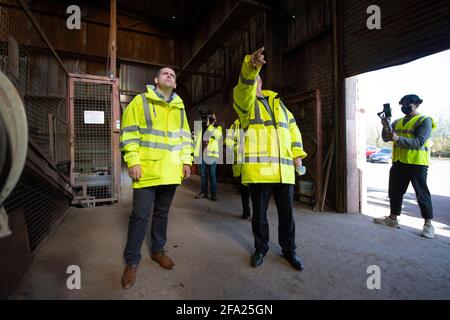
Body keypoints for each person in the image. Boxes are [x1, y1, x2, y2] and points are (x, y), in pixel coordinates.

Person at [233, 47, 307, 270]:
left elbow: (293, 130)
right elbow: (242, 88)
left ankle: (289, 250)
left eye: (256, 80)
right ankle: (261, 248)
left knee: (287, 216)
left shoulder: (280, 105)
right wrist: (251, 66)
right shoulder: (245, 106)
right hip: (260, 170)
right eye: (251, 80)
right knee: (259, 216)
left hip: (284, 170)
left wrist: (298, 156)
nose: (252, 83)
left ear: (261, 84)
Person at [119, 67, 193, 289]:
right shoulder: (140, 102)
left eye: (172, 75)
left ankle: (158, 251)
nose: (169, 76)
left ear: (176, 84)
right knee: (140, 216)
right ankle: (132, 261)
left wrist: (187, 161)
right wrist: (133, 161)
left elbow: (185, 137)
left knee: (162, 214)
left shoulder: (179, 107)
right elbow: (129, 132)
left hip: (171, 171)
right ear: (155, 80)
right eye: (164, 74)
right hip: (147, 171)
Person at [374, 94, 437, 239]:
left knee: (422, 194)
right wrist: (385, 126)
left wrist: (397, 138)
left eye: (409, 103)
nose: (405, 106)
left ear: (417, 105)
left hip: (417, 164)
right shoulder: (397, 122)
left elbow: (419, 141)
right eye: (403, 103)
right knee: (395, 192)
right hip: (399, 162)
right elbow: (385, 138)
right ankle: (392, 219)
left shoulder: (424, 120)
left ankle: (428, 225)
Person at [225, 118, 251, 219]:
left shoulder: (255, 120)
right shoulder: (235, 124)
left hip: (253, 163)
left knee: (256, 191)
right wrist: (237, 147)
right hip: (240, 165)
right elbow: (228, 140)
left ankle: (258, 215)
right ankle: (246, 211)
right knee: (244, 191)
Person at [194, 111, 222, 201]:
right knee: (202, 175)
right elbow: (196, 138)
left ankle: (213, 194)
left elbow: (217, 136)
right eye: (208, 117)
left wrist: (211, 125)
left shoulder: (218, 127)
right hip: (201, 154)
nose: (210, 119)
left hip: (211, 155)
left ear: (215, 118)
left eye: (212, 117)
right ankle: (204, 192)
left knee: (212, 175)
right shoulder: (201, 127)